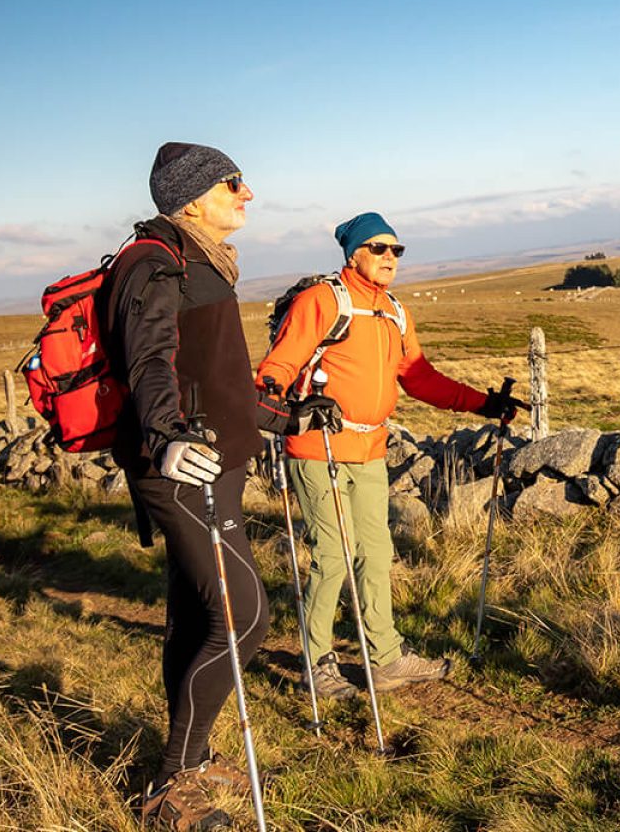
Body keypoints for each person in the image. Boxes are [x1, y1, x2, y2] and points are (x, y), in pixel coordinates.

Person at [255, 212, 518, 701]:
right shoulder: (323, 301)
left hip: (371, 448)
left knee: (375, 554)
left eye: (397, 250)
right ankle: (318, 666)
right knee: (332, 557)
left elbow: (420, 378)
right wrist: (277, 395)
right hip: (320, 447)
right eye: (379, 248)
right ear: (353, 254)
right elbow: (279, 364)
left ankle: (386, 659)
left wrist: (485, 403)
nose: (390, 258)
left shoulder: (394, 311)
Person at [107, 142, 270, 830]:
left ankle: (188, 765)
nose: (248, 193)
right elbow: (148, 358)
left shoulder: (200, 260)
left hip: (212, 463)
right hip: (182, 468)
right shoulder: (154, 261)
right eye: (234, 182)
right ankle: (173, 789)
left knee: (201, 616)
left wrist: (285, 417)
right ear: (194, 196)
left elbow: (219, 377)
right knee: (244, 620)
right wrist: (169, 433)